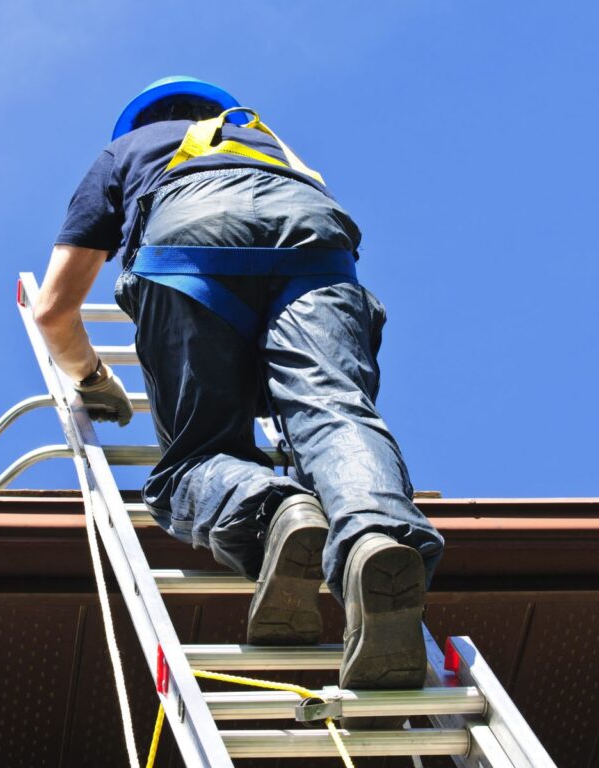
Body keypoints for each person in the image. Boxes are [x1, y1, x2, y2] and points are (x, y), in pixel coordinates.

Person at [34, 77, 445, 697]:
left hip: (189, 253)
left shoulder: (126, 154)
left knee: (192, 463)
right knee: (335, 413)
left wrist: (92, 377)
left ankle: (274, 509)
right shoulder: (275, 148)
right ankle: (376, 537)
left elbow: (52, 313)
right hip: (315, 249)